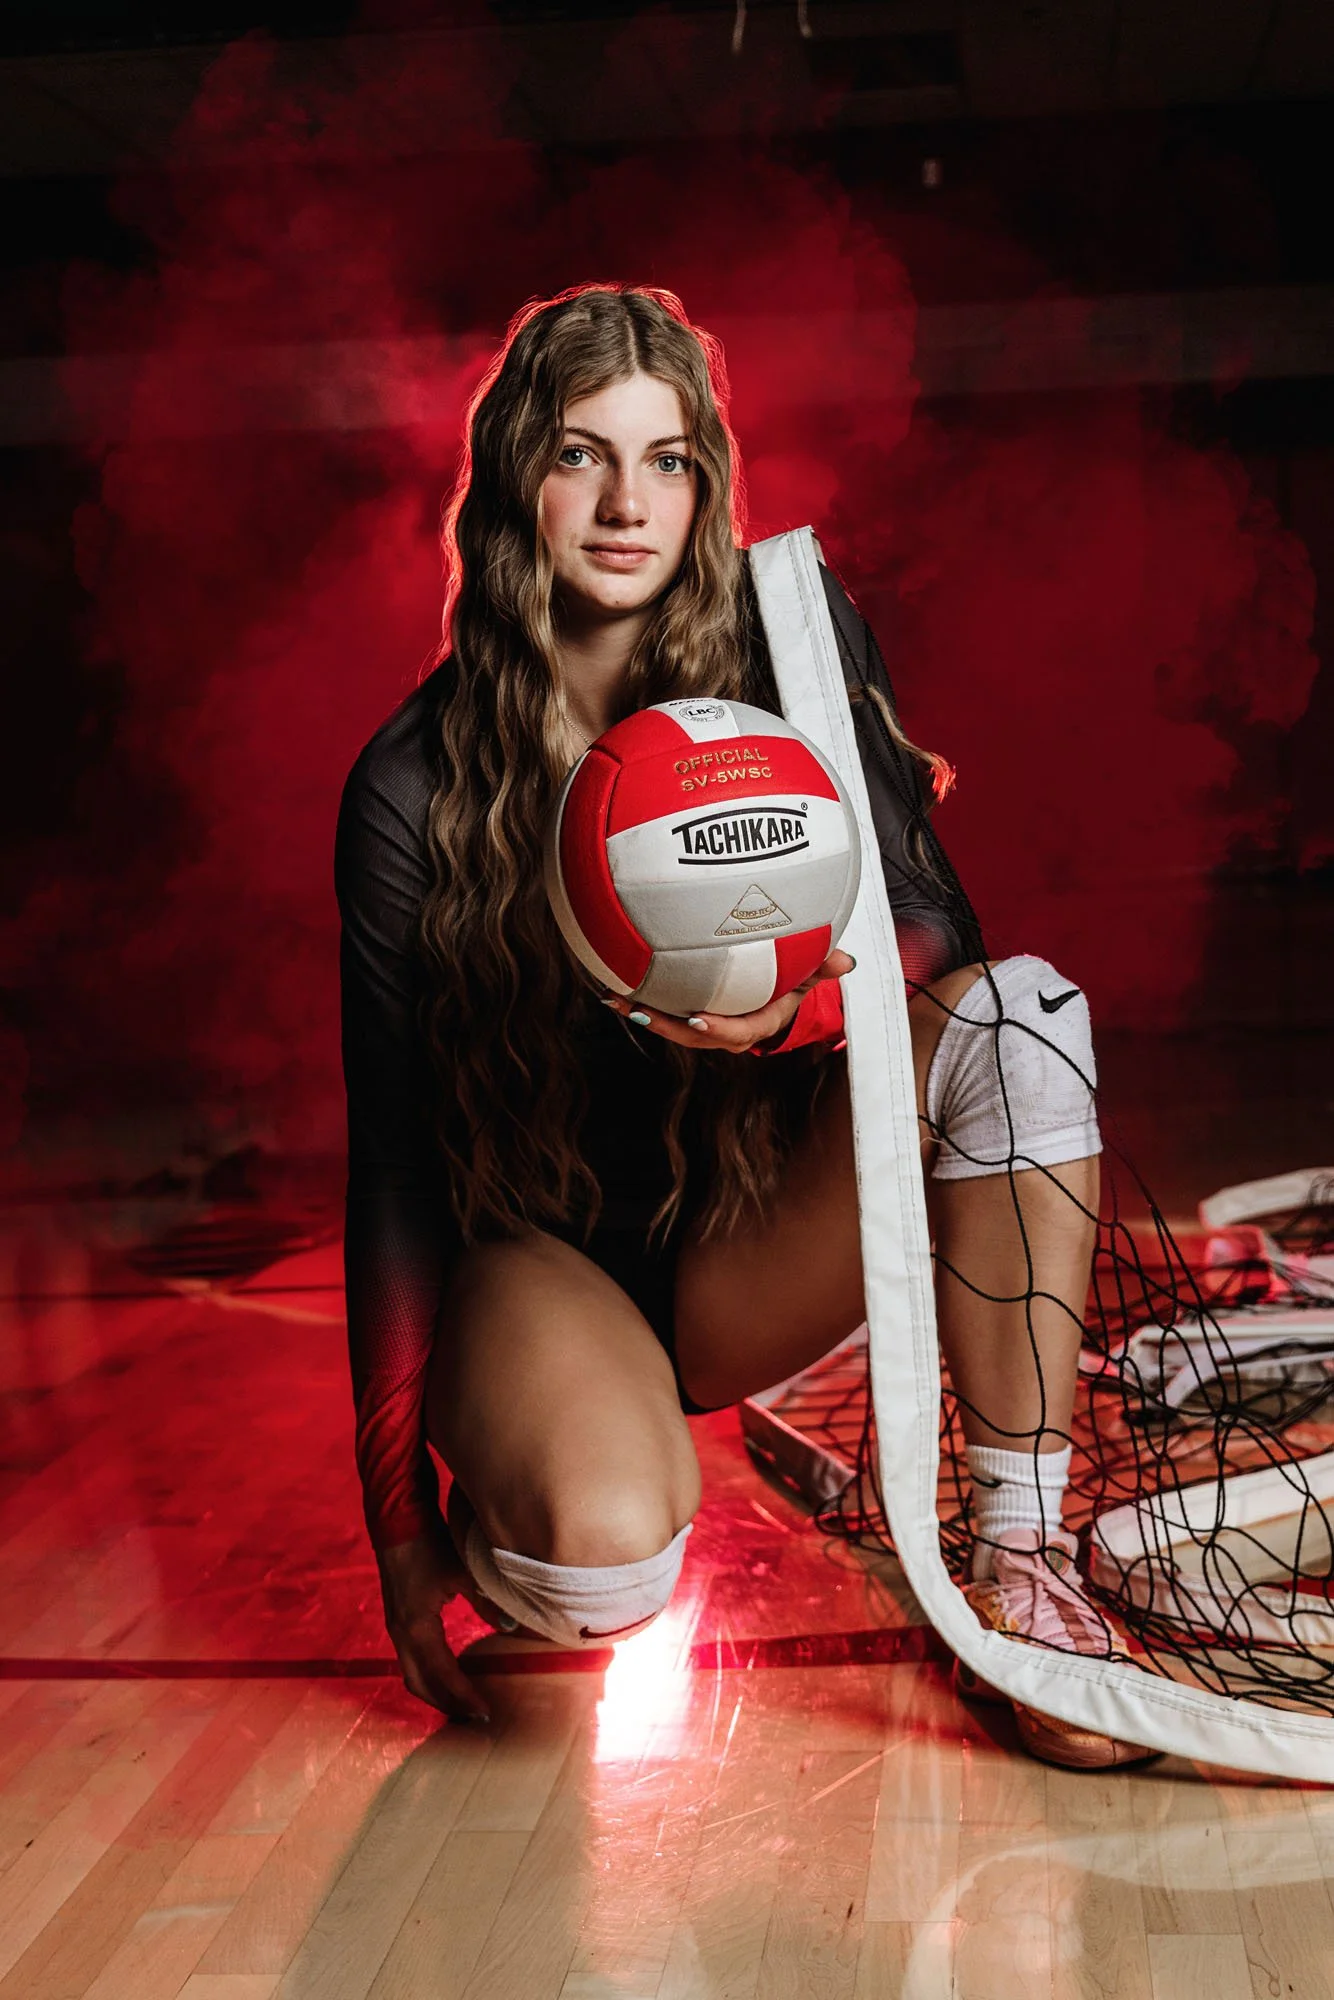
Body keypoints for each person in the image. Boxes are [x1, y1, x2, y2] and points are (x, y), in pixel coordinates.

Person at [335, 282, 1149, 1770]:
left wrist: (788, 1019)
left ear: (704, 480)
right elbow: (392, 1169)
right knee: (596, 1572)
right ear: (518, 472)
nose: (625, 502)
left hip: (750, 1226)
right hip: (551, 1255)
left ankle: (1019, 1569)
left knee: (1019, 1019)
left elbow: (935, 935)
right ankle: (534, 1458)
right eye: (582, 455)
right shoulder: (411, 782)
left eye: (666, 459)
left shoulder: (787, 641)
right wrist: (395, 1533)